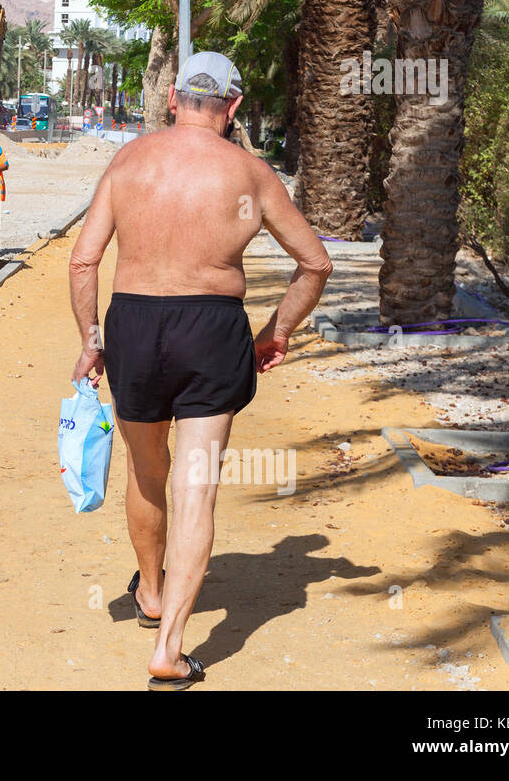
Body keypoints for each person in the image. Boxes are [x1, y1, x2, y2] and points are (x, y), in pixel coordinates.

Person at [67, 51, 332, 691]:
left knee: (146, 470)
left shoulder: (128, 161)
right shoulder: (250, 172)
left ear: (172, 100)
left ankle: (151, 592)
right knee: (196, 487)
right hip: (212, 329)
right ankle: (169, 649)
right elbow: (315, 264)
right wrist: (276, 333)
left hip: (132, 321)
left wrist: (92, 340)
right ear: (234, 107)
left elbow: (83, 262)